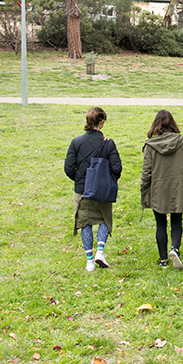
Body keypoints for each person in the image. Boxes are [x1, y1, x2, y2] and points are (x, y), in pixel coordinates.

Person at [64, 106, 123, 272]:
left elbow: (69, 168)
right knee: (104, 219)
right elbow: (117, 168)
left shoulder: (76, 142)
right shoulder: (108, 143)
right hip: (102, 189)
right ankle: (100, 251)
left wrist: (80, 181)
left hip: (82, 190)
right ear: (101, 122)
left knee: (85, 223)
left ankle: (89, 260)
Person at [140, 109, 183, 269]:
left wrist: (144, 192)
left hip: (158, 189)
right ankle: (174, 249)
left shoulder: (151, 146)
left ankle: (164, 259)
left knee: (160, 223)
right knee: (177, 221)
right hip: (177, 187)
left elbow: (146, 172)